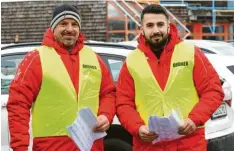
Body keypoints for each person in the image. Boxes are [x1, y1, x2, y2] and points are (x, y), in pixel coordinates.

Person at [7, 4, 116, 151]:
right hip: (51, 147)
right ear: (53, 27)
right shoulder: (36, 58)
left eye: (74, 24)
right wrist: (20, 147)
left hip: (91, 145)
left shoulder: (94, 58)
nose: (70, 29)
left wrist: (106, 115)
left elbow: (108, 93)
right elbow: (18, 105)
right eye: (63, 23)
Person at [116, 4, 224, 151]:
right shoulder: (131, 61)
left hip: (189, 143)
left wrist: (194, 119)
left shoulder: (191, 52)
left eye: (160, 24)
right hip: (149, 145)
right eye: (150, 25)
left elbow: (213, 90)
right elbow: (123, 103)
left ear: (168, 26)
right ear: (141, 29)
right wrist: (138, 127)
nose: (156, 30)